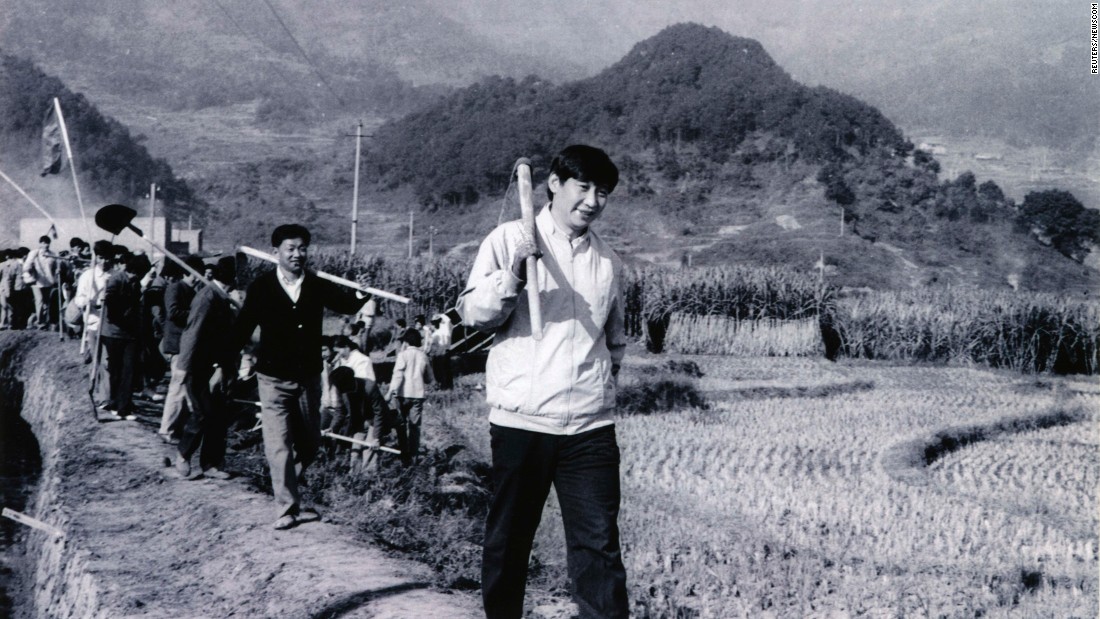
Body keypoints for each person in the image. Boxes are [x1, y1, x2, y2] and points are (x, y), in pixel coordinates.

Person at [456, 144, 629, 619]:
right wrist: (513, 272)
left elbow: (614, 342)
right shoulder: (510, 238)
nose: (593, 200)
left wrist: (599, 389)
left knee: (598, 547)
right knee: (510, 540)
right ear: (554, 184)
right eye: (584, 187)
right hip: (522, 422)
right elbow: (473, 314)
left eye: (603, 192)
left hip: (590, 429)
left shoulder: (609, 261)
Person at [233, 224, 367, 530]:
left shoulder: (317, 285)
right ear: (276, 252)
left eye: (302, 248)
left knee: (309, 443)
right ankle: (286, 506)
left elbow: (346, 303)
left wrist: (362, 292)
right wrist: (224, 361)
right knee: (278, 443)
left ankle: (289, 486)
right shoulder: (262, 287)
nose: (297, 254)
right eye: (290, 248)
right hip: (272, 378)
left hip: (307, 376)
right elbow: (242, 328)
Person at [174, 256, 237, 480]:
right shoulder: (207, 297)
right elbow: (192, 333)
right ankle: (183, 453)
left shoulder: (224, 298)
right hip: (198, 365)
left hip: (219, 366)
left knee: (219, 415)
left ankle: (211, 463)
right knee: (202, 412)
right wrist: (183, 367)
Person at [158, 255, 205, 442]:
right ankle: (167, 430)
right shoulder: (175, 288)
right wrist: (198, 315)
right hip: (177, 345)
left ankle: (175, 429)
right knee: (177, 388)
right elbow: (173, 312)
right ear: (187, 272)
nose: (198, 278)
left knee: (183, 389)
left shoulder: (192, 290)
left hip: (187, 345)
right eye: (196, 274)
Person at [100, 249, 144, 420]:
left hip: (130, 334)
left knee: (129, 369)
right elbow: (110, 307)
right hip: (114, 333)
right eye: (135, 274)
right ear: (130, 271)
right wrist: (125, 318)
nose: (137, 278)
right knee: (116, 370)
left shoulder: (136, 282)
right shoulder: (115, 280)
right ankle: (114, 403)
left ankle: (124, 408)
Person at [384, 328, 433, 465]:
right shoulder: (423, 356)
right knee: (415, 426)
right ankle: (414, 456)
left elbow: (398, 375)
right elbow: (429, 378)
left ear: (405, 341)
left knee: (401, 425)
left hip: (402, 395)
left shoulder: (403, 355)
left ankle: (404, 454)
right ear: (419, 341)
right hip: (417, 394)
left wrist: (390, 392)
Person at [22, 235, 59, 330]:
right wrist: (29, 270)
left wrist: (57, 271)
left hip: (48, 282)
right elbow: (26, 266)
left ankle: (44, 322)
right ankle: (39, 322)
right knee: (40, 301)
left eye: (47, 243)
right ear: (40, 243)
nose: (46, 245)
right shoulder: (34, 253)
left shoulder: (52, 254)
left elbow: (56, 267)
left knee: (47, 303)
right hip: (36, 282)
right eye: (44, 243)